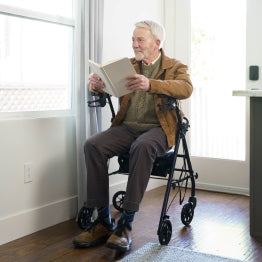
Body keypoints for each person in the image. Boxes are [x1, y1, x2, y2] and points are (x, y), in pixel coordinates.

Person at [73, 20, 193, 252]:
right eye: (133, 40)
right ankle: (104, 221)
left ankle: (126, 223)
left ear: (157, 43)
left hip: (159, 129)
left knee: (143, 145)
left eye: (140, 40)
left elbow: (186, 88)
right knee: (93, 145)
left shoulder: (174, 66)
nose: (135, 44)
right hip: (127, 127)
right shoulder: (127, 65)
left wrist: (151, 84)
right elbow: (108, 87)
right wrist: (95, 84)